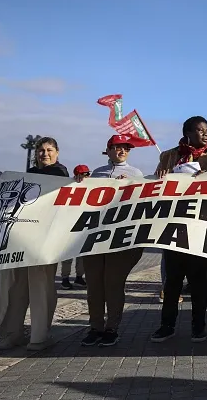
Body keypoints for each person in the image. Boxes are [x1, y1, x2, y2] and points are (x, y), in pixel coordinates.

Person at [151, 117, 207, 343]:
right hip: (174, 229)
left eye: (206, 130)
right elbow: (156, 187)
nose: (205, 134)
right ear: (187, 132)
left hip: (200, 228)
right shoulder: (168, 156)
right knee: (172, 282)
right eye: (199, 130)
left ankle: (198, 326)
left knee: (198, 284)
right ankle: (167, 325)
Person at [0, 137, 68, 351]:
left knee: (40, 287)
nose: (45, 154)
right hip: (20, 240)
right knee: (14, 288)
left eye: (49, 150)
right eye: (41, 150)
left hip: (44, 241)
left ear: (57, 152)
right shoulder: (29, 175)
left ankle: (38, 336)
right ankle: (12, 333)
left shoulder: (60, 174)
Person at [76, 135, 145, 347]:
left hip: (119, 238)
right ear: (108, 150)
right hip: (95, 237)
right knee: (94, 284)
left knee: (113, 284)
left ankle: (112, 327)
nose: (122, 151)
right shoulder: (96, 174)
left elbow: (142, 202)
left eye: (125, 148)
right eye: (117, 147)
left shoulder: (136, 174)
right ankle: (95, 327)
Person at [59, 165, 90, 290]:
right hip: (69, 226)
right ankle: (65, 278)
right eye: (84, 174)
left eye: (87, 174)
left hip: (83, 226)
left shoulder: (92, 187)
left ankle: (79, 277)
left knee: (82, 256)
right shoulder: (69, 187)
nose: (86, 177)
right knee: (67, 256)